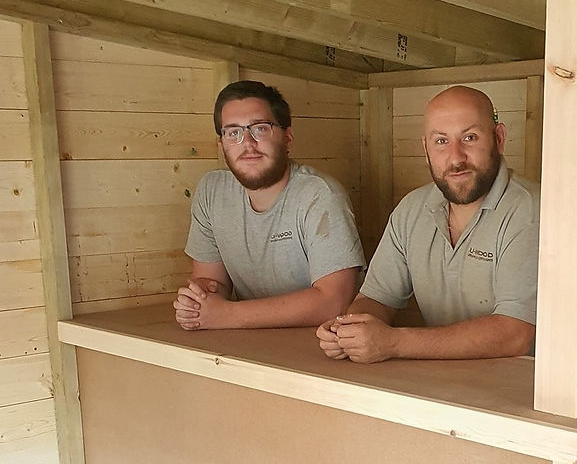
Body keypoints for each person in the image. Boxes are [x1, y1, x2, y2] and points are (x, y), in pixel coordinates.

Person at [317, 85, 538, 364]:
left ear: (499, 138)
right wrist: (349, 330)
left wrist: (394, 342)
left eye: (469, 137)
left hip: (522, 384)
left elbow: (516, 334)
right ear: (425, 149)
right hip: (437, 378)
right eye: (441, 141)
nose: (456, 158)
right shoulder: (412, 209)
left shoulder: (530, 209)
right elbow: (376, 299)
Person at [176, 80, 364, 330]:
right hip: (248, 339)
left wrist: (227, 315)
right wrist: (198, 301)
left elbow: (334, 302)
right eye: (233, 133)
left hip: (321, 341)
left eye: (260, 129)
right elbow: (211, 281)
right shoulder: (212, 191)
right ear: (221, 145)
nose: (248, 143)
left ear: (288, 137)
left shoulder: (319, 194)